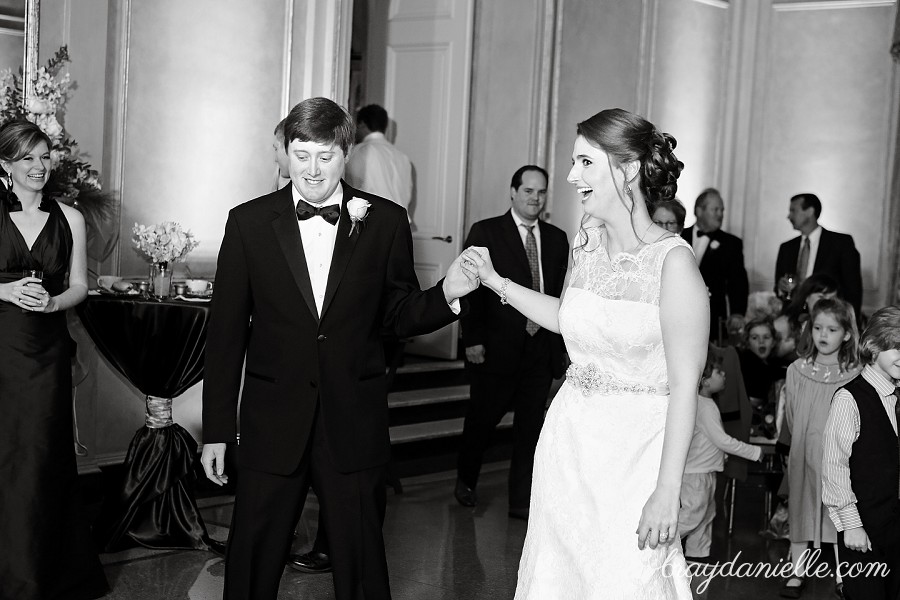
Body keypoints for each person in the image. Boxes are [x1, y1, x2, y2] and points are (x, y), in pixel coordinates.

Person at [200, 97, 479, 600]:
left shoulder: (386, 222)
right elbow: (224, 336)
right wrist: (217, 430)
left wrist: (447, 295)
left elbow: (396, 316)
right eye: (300, 154)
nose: (311, 169)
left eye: (324, 156)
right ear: (284, 153)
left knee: (362, 562)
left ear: (345, 152)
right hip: (272, 420)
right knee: (251, 561)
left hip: (353, 418)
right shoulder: (247, 223)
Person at [463, 108, 707, 598]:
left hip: (635, 456)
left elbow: (685, 386)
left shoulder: (674, 263)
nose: (572, 176)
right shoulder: (588, 244)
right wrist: (494, 282)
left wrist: (666, 490)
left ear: (628, 169)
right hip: (569, 445)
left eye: (584, 163)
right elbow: (568, 317)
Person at [0, 120, 108, 599]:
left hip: (45, 352)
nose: (39, 166)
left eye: (45, 156)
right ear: (5, 164)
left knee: (42, 458)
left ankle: (44, 574)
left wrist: (52, 304)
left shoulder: (71, 217)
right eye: (27, 158)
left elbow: (80, 286)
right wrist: (3, 289)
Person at [454, 165, 569, 520]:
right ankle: (466, 481)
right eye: (529, 191)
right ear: (513, 192)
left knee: (530, 430)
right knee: (481, 422)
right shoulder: (487, 231)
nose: (535, 198)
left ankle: (520, 500)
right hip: (496, 347)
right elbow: (469, 286)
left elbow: (559, 294)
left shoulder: (556, 238)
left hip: (540, 348)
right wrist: (471, 338)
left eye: (541, 192)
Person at [779, 298, 860, 598]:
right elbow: (792, 415)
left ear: (847, 334)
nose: (823, 335)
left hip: (839, 458)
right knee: (800, 509)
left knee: (839, 513)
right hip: (803, 454)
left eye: (832, 329)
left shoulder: (855, 373)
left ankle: (844, 575)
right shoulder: (798, 369)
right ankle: (797, 573)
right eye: (817, 328)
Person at [822, 305, 900, 600]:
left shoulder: (897, 396)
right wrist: (851, 525)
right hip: (864, 529)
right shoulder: (849, 399)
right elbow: (834, 466)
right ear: (874, 345)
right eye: (896, 347)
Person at [679, 350, 762, 561]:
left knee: (706, 516)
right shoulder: (704, 406)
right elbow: (721, 440)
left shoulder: (706, 404)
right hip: (695, 475)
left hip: (706, 472)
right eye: (718, 372)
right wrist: (754, 452)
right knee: (692, 517)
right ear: (704, 380)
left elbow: (709, 441)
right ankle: (658, 545)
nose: (724, 375)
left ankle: (697, 558)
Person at [775, 193, 862, 319]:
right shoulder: (787, 248)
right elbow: (778, 287)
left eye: (793, 211)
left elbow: (853, 289)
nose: (789, 216)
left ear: (810, 211)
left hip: (830, 319)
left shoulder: (841, 244)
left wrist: (851, 323)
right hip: (792, 319)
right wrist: (781, 288)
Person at [681, 188, 749, 340]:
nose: (720, 214)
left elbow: (737, 281)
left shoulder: (731, 243)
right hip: (678, 312)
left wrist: (737, 313)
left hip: (712, 316)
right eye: (715, 209)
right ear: (699, 211)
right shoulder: (678, 236)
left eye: (722, 210)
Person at [344, 104, 413, 223]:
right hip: (401, 225)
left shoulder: (361, 151)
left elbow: (350, 190)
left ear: (361, 124)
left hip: (373, 224)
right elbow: (407, 193)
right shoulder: (403, 157)